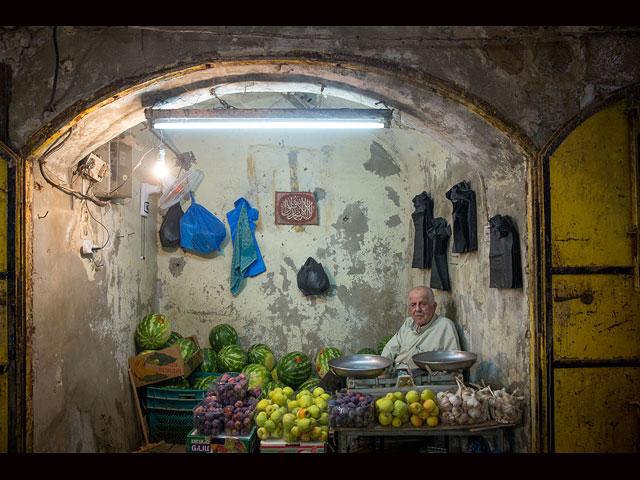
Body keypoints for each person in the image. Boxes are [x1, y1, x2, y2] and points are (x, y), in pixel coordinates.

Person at [381, 286, 461, 373]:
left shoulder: (445, 326)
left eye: (423, 304)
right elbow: (389, 350)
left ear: (434, 306)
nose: (417, 309)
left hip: (423, 381)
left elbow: (454, 366)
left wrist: (419, 374)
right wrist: (382, 370)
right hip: (396, 374)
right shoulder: (409, 323)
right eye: (413, 305)